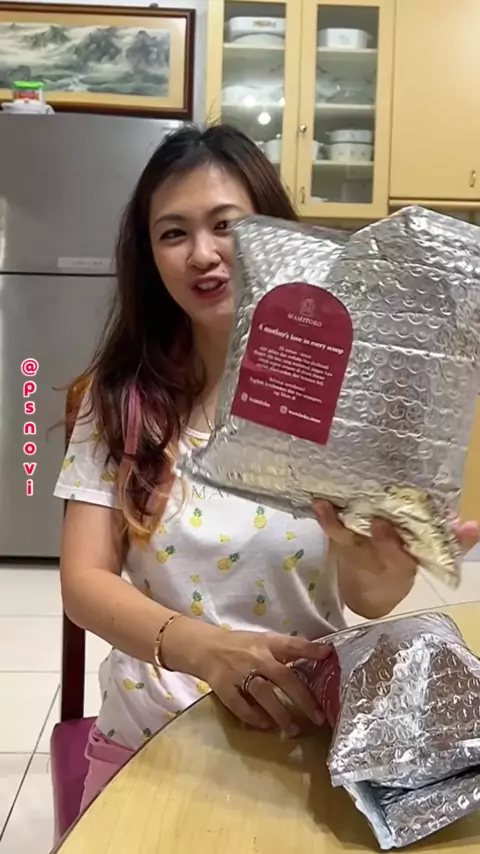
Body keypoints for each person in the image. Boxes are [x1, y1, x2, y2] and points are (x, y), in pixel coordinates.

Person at [54, 123, 479, 810]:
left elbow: (369, 599)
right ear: (149, 256)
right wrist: (202, 648)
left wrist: (384, 563)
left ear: (277, 232)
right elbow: (83, 582)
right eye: (173, 233)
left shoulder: (349, 399)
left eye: (226, 224)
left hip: (299, 743)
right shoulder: (121, 398)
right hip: (149, 745)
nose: (203, 254)